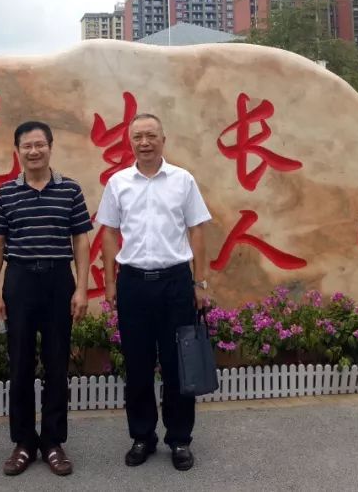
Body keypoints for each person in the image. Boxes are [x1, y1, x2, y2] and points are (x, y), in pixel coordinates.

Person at [97, 113, 212, 472]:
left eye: (151, 136)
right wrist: (112, 282)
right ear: (129, 142)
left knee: (179, 366)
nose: (144, 143)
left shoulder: (183, 180)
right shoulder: (118, 182)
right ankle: (142, 436)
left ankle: (179, 439)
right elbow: (109, 233)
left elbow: (197, 230)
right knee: (138, 365)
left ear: (164, 138)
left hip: (175, 282)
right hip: (133, 282)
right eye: (137, 137)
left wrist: (200, 282)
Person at [0, 121, 93, 477]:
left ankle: (52, 442)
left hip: (59, 280)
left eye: (39, 145)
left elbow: (81, 240)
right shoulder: (5, 194)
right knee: (20, 364)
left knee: (57, 363)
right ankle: (23, 443)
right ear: (17, 151)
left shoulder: (70, 190)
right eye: (26, 146)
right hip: (20, 281)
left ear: (50, 146)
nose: (33, 151)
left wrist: (81, 288)